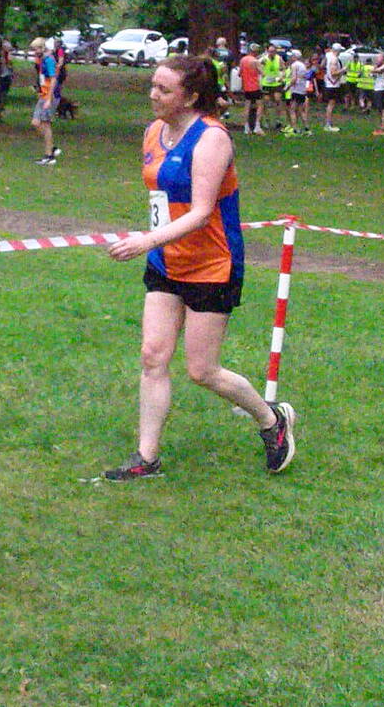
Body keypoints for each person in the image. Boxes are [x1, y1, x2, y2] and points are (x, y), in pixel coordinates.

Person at [102, 55, 296, 480]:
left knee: (202, 370)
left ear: (190, 97)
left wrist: (146, 240)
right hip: (166, 260)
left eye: (164, 89)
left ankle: (271, 420)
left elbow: (203, 211)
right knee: (152, 356)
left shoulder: (211, 139)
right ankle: (146, 458)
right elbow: (162, 198)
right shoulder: (154, 131)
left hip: (212, 264)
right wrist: (155, 242)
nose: (153, 95)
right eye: (153, 86)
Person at [32, 42, 61, 165]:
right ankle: (51, 147)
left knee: (45, 124)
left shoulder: (49, 60)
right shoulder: (42, 59)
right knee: (35, 123)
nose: (35, 52)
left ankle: (49, 156)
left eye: (36, 49)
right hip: (43, 95)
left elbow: (53, 79)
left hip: (50, 96)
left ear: (43, 48)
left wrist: (49, 98)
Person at [238, 42, 263, 134]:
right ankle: (257, 125)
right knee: (260, 105)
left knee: (247, 106)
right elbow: (262, 73)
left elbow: (239, 73)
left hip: (246, 87)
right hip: (255, 86)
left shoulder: (243, 60)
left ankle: (246, 127)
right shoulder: (256, 61)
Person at [286, 49, 310, 135]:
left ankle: (295, 129)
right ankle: (307, 128)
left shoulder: (294, 65)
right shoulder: (303, 65)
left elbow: (294, 79)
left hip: (296, 90)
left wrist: (287, 87)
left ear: (294, 57)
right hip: (302, 90)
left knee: (292, 110)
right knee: (301, 110)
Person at [321, 42, 344, 131]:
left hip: (328, 83)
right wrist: (343, 70)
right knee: (331, 104)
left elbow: (322, 65)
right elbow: (333, 73)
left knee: (330, 104)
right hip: (333, 84)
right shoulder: (334, 59)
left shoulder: (328, 55)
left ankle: (328, 123)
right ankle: (328, 124)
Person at [369, 52, 384, 135]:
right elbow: (372, 75)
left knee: (383, 109)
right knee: (379, 109)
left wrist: (373, 68)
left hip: (382, 89)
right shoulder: (379, 66)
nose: (377, 60)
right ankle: (379, 127)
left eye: (379, 58)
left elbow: (377, 71)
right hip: (377, 89)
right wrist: (374, 68)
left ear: (383, 59)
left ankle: (382, 128)